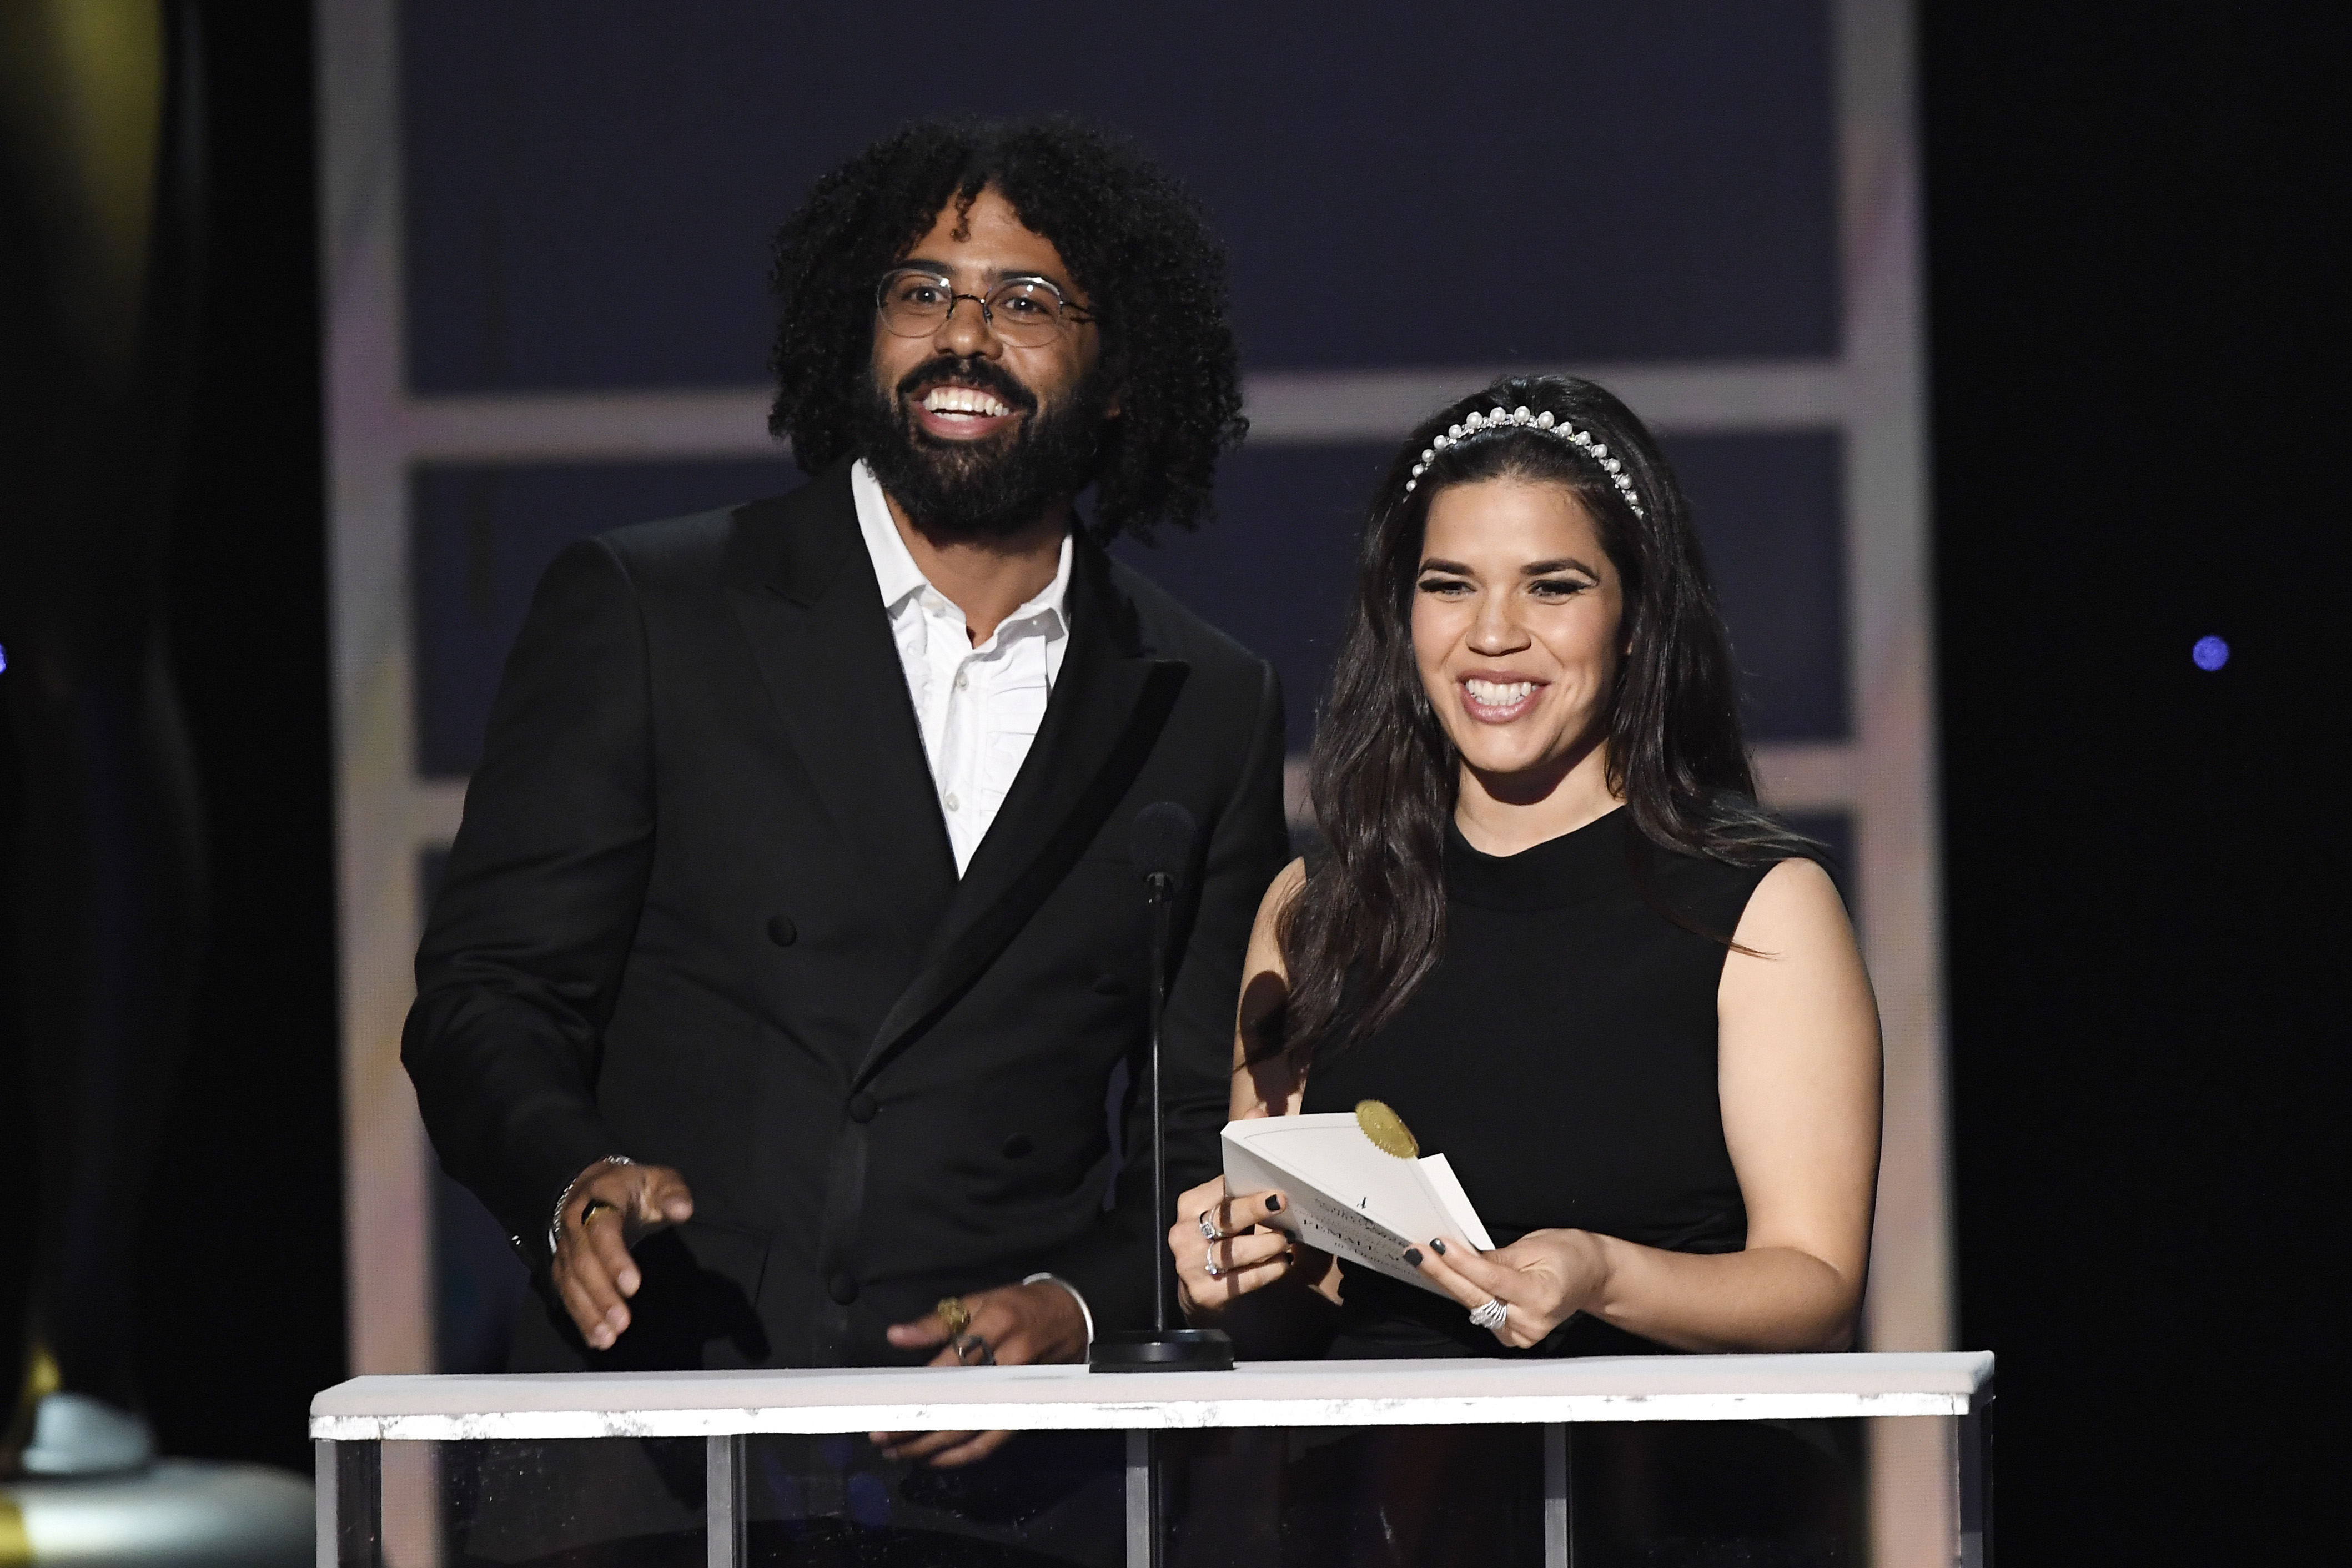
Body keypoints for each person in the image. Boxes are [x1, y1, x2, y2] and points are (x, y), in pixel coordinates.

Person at [403, 115, 1289, 1550]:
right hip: (656, 1438)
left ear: (1122, 370)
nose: (963, 336)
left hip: (1003, 1489)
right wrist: (567, 1183)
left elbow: (1202, 1137)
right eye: (922, 291)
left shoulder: (1206, 697)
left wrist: (1073, 1309)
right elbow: (485, 997)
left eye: (1026, 300)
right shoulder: (654, 608)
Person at [1165, 374, 1881, 1564]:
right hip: (1376, 1518)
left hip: (1667, 1516)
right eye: (1450, 584)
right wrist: (1235, 1271)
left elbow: (1814, 1284)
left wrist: (1600, 1273)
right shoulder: (1314, 911)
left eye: (1554, 585)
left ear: (1636, 618)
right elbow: (1301, 1300)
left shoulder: (1758, 906)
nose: (1493, 633)